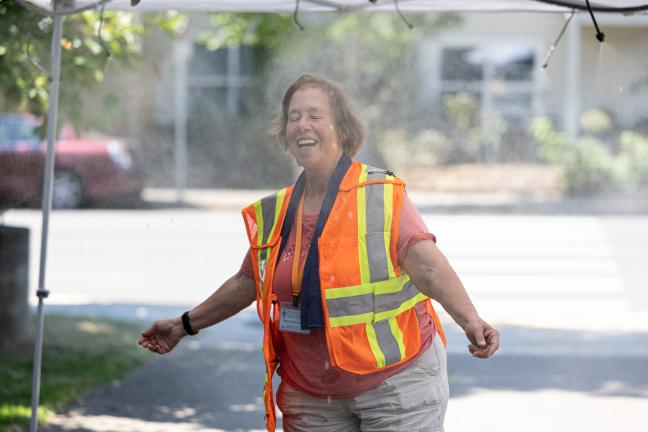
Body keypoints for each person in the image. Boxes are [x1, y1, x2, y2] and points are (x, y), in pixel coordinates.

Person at [138, 74, 500, 432]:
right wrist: (184, 325)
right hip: (312, 396)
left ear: (342, 129)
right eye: (293, 117)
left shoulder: (377, 193)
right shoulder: (277, 211)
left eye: (314, 114)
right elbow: (247, 283)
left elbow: (429, 268)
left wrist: (470, 319)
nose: (301, 124)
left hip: (396, 386)